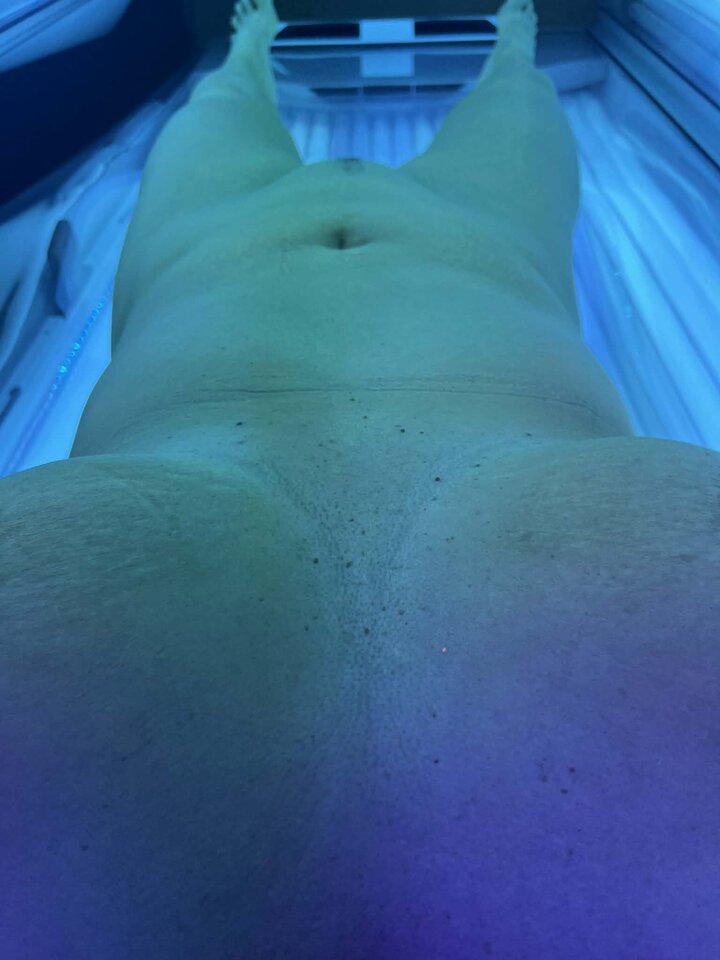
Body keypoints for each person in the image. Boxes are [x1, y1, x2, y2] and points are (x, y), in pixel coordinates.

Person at [2, 1, 718, 956]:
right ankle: (509, 38)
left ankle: (252, 46)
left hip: (207, 261)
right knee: (518, 91)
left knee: (221, 100)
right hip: (485, 262)